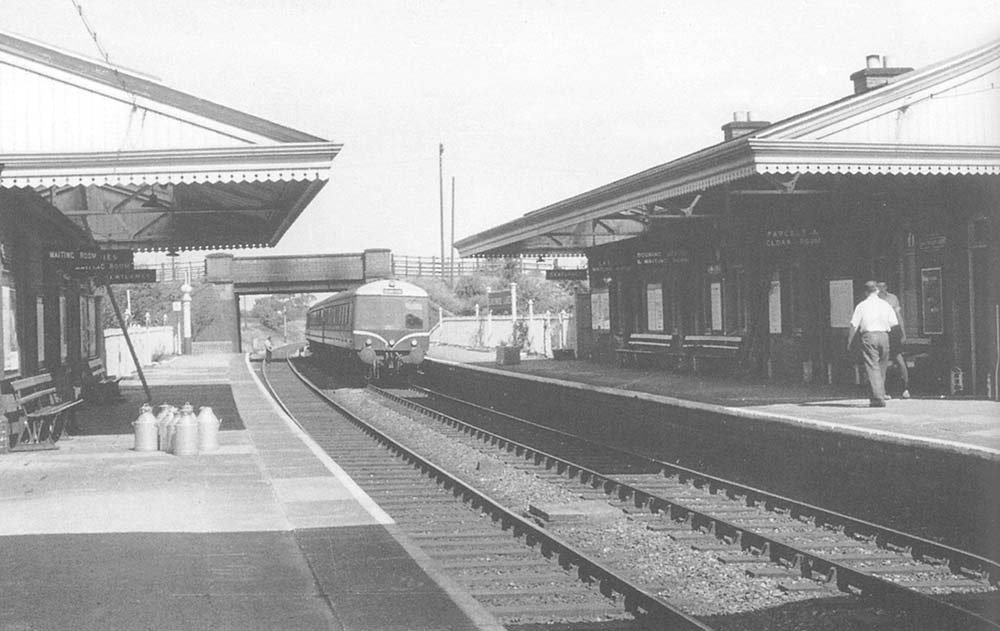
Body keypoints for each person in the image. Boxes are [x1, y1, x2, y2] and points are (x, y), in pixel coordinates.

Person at [846, 281, 898, 407]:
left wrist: (849, 341)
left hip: (869, 336)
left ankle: (877, 398)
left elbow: (854, 325)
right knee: (882, 367)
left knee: (872, 366)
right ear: (877, 291)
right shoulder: (885, 305)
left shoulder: (862, 306)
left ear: (865, 292)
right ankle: (881, 393)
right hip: (884, 336)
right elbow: (893, 323)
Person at [877, 281, 910, 399]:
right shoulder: (875, 300)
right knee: (883, 360)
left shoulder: (893, 298)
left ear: (886, 287)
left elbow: (899, 316)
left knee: (899, 358)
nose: (881, 289)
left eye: (883, 286)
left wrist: (903, 333)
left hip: (893, 330)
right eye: (878, 287)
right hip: (882, 330)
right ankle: (884, 390)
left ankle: (905, 388)